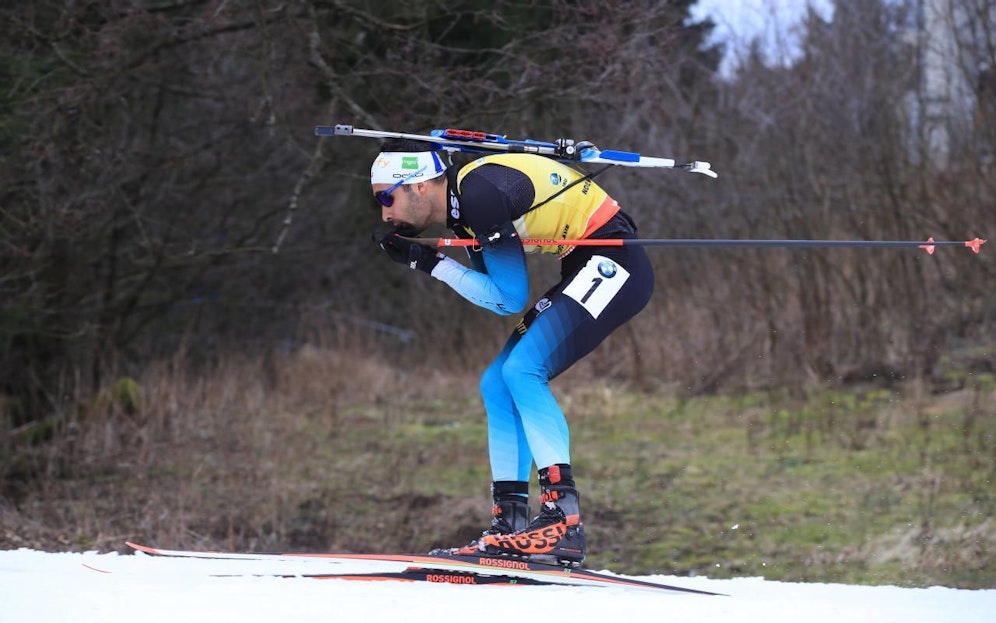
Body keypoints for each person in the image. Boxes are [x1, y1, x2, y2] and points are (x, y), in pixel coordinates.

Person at [372, 138, 654, 566]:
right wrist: (427, 262)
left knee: (523, 370)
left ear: (422, 186)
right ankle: (511, 525)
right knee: (497, 384)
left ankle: (563, 521)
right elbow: (504, 298)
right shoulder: (466, 215)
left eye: (387, 196)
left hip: (616, 265)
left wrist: (431, 263)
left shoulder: (479, 196)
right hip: (584, 265)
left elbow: (509, 296)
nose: (385, 212)